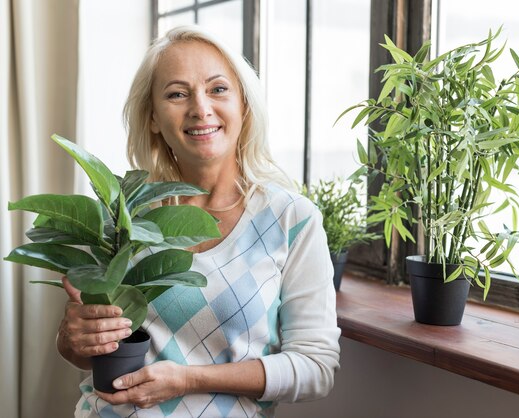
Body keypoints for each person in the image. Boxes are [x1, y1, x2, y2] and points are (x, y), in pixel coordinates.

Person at [56, 25, 341, 417]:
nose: (200, 108)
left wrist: (189, 379)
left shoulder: (292, 219)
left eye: (218, 89)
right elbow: (85, 354)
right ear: (153, 117)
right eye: (177, 94)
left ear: (243, 103)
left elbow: (316, 369)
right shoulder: (123, 215)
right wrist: (73, 339)